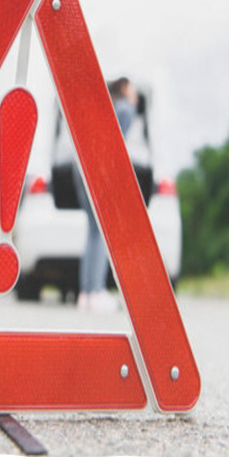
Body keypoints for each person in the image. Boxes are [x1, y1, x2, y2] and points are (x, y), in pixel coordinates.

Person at [73, 77, 138, 312]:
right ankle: (97, 292)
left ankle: (86, 294)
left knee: (91, 233)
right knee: (100, 233)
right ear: (124, 89)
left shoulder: (103, 105)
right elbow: (113, 144)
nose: (135, 94)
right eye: (132, 89)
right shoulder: (124, 108)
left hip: (80, 167)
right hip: (98, 170)